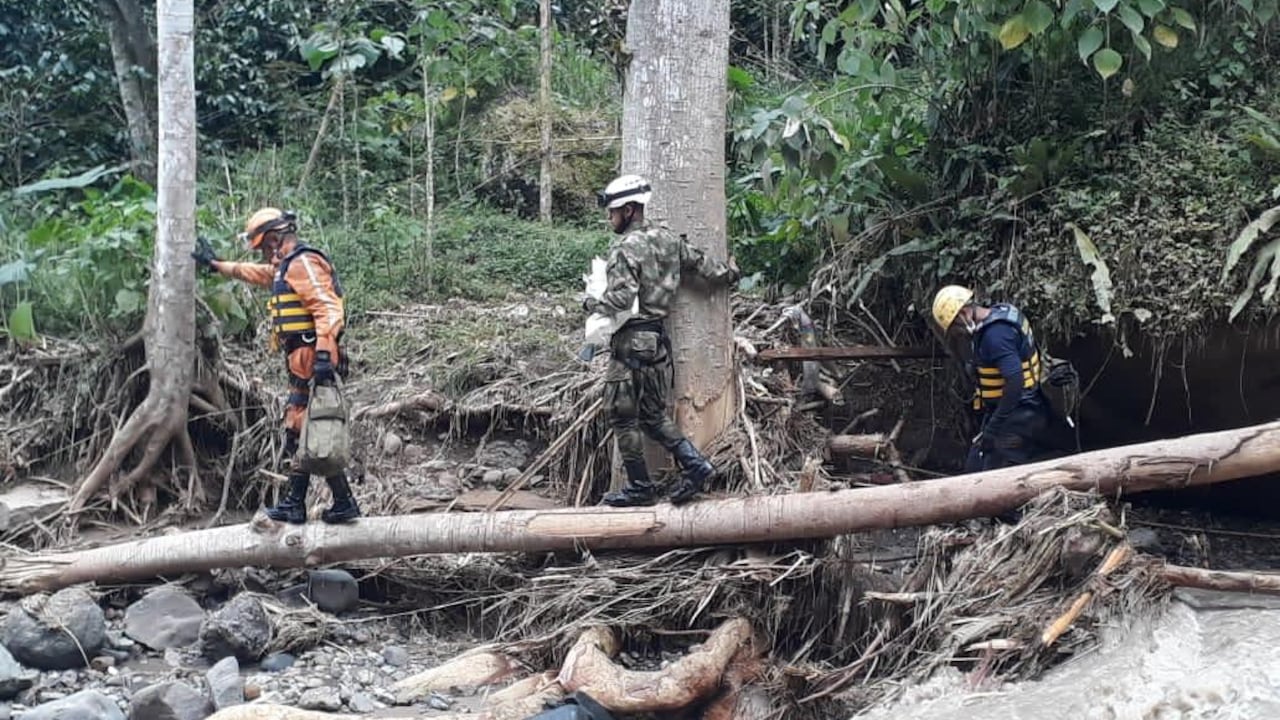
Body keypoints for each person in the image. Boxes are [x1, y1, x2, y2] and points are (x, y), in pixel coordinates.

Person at [192, 208, 359, 524]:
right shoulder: (284, 268)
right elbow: (252, 273)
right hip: (301, 359)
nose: (267, 254)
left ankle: (303, 503)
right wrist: (216, 265)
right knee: (301, 427)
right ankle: (329, 502)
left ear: (278, 238)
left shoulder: (304, 263)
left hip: (314, 356)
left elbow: (327, 307)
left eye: (268, 246)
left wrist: (324, 354)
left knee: (306, 428)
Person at [583, 174, 740, 507]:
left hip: (630, 342)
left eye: (612, 212)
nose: (609, 218)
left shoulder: (625, 247)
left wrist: (591, 303)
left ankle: (640, 487)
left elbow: (622, 300)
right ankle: (697, 466)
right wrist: (733, 272)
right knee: (653, 416)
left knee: (621, 415)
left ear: (628, 210)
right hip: (658, 341)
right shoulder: (670, 240)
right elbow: (707, 268)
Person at [931, 284, 1064, 473]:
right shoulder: (1002, 312)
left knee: (995, 471)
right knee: (974, 464)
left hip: (1022, 412)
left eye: (955, 328)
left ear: (963, 314)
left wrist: (993, 428)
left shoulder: (996, 336)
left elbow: (1015, 381)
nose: (957, 334)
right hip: (1010, 409)